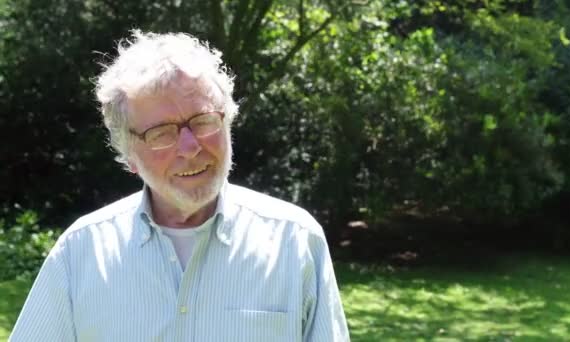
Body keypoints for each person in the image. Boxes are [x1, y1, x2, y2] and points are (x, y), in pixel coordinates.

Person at [10, 30, 349, 341]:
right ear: (129, 157)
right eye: (161, 133)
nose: (189, 148)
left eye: (202, 122)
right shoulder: (81, 252)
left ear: (228, 122)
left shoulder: (295, 240)